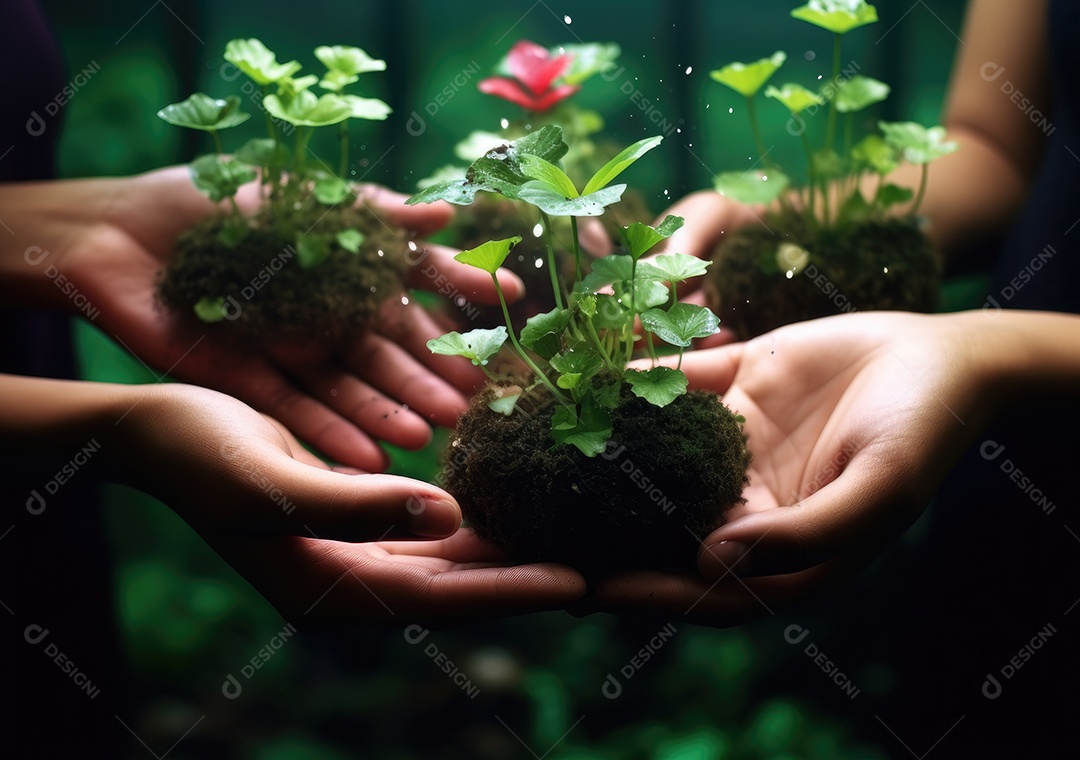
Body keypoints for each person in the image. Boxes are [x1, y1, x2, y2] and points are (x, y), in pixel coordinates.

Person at [591, 0, 1080, 753]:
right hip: (1010, 480)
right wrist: (768, 226)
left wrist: (992, 352)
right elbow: (996, 149)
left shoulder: (981, 361)